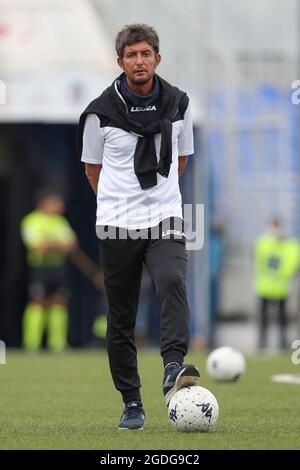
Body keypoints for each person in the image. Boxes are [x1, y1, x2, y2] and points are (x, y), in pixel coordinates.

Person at [77, 23, 200, 430]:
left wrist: (157, 198)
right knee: (121, 315)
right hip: (116, 222)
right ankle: (132, 402)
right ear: (121, 63)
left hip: (165, 214)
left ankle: (173, 364)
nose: (139, 61)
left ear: (157, 59)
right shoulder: (99, 112)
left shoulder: (179, 103)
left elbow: (181, 161)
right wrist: (121, 203)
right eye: (131, 55)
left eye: (146, 54)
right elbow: (92, 169)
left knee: (171, 280)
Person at [21, 190, 77, 352]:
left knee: (59, 303)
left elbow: (71, 245)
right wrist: (57, 245)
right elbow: (35, 245)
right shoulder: (32, 220)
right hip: (40, 268)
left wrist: (50, 244)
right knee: (37, 303)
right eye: (56, 202)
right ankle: (31, 344)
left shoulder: (60, 222)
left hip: (58, 268)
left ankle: (57, 344)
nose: (61, 206)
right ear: (44, 203)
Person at [254, 218, 300, 349]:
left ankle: (282, 344)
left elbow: (292, 264)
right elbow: (260, 256)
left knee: (282, 319)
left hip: (281, 288)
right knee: (264, 319)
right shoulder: (263, 242)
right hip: (264, 287)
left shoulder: (290, 245)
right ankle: (262, 344)